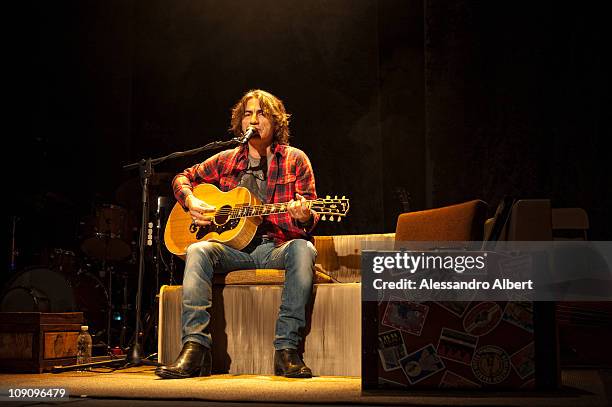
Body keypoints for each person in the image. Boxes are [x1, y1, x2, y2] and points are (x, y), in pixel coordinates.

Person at [155, 89, 319, 379]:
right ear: (239, 123)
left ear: (276, 121)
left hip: (275, 247)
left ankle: (286, 351)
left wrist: (304, 215)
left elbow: (309, 217)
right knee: (197, 251)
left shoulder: (295, 160)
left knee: (303, 250)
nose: (253, 119)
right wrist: (191, 201)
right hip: (233, 250)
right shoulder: (226, 159)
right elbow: (183, 177)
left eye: (261, 113)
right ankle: (195, 348)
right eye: (247, 114)